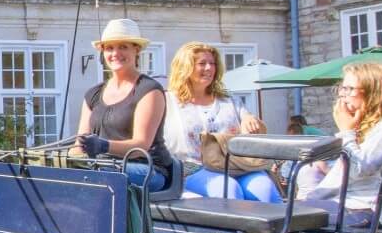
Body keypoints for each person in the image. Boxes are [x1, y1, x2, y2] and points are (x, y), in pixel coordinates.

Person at [298, 61, 382, 233]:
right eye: (342, 88)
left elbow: (358, 169)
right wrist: (309, 199)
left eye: (349, 89)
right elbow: (339, 175)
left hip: (367, 212)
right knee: (279, 213)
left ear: (375, 93)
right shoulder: (362, 126)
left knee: (285, 218)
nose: (342, 95)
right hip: (345, 206)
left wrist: (346, 131)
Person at [163, 42, 279, 202]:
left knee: (264, 188)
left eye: (212, 63)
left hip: (237, 165)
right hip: (193, 167)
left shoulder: (229, 100)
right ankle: (237, 227)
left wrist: (249, 119)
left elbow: (251, 123)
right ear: (185, 67)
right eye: (202, 63)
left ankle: (278, 227)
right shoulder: (167, 101)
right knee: (227, 188)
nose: (209, 68)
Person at [73, 19, 174, 191]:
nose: (115, 53)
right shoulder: (93, 94)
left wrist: (103, 146)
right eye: (110, 48)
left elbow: (141, 145)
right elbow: (79, 144)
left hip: (147, 168)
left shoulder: (149, 90)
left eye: (123, 47)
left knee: (99, 172)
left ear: (137, 50)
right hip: (102, 165)